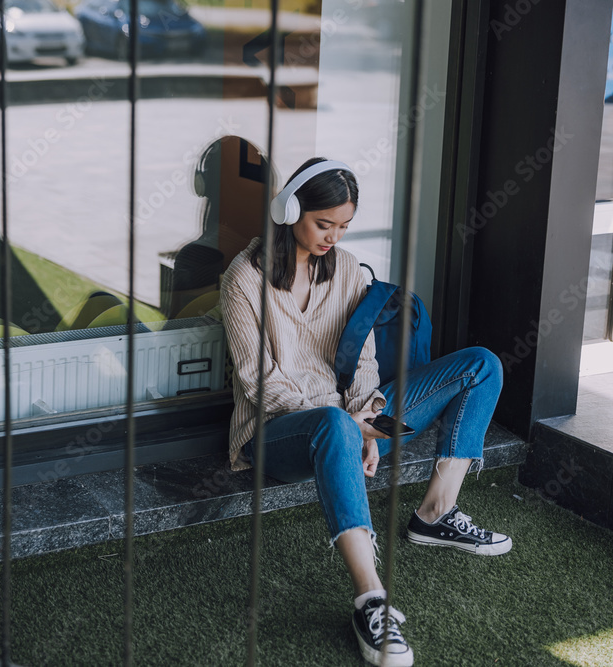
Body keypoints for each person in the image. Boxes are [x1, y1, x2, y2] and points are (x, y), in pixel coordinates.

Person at [219, 157, 511, 667]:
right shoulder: (243, 279)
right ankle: (372, 600)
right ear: (289, 213)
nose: (333, 236)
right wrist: (345, 425)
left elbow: (364, 361)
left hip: (350, 416)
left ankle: (436, 513)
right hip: (277, 429)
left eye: (344, 226)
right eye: (323, 224)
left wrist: (370, 423)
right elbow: (257, 379)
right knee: (331, 424)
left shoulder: (349, 268)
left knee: (481, 365)